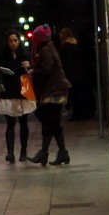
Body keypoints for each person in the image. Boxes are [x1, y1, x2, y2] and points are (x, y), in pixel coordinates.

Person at [28, 24, 72, 166]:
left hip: (53, 92)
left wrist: (33, 72)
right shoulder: (49, 47)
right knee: (53, 123)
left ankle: (45, 154)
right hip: (54, 91)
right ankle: (61, 153)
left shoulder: (45, 49)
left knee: (48, 122)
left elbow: (46, 69)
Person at [0, 30, 35, 163]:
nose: (13, 43)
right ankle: (10, 153)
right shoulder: (2, 56)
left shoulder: (24, 54)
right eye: (11, 41)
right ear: (7, 42)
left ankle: (23, 152)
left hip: (22, 91)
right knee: (10, 123)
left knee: (23, 122)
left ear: (19, 41)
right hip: (8, 92)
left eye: (15, 40)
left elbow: (31, 71)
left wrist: (28, 67)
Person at [59, 27, 94, 121]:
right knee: (81, 94)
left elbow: (63, 62)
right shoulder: (77, 44)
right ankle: (84, 113)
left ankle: (77, 114)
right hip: (81, 73)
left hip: (71, 74)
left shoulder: (65, 47)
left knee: (74, 95)